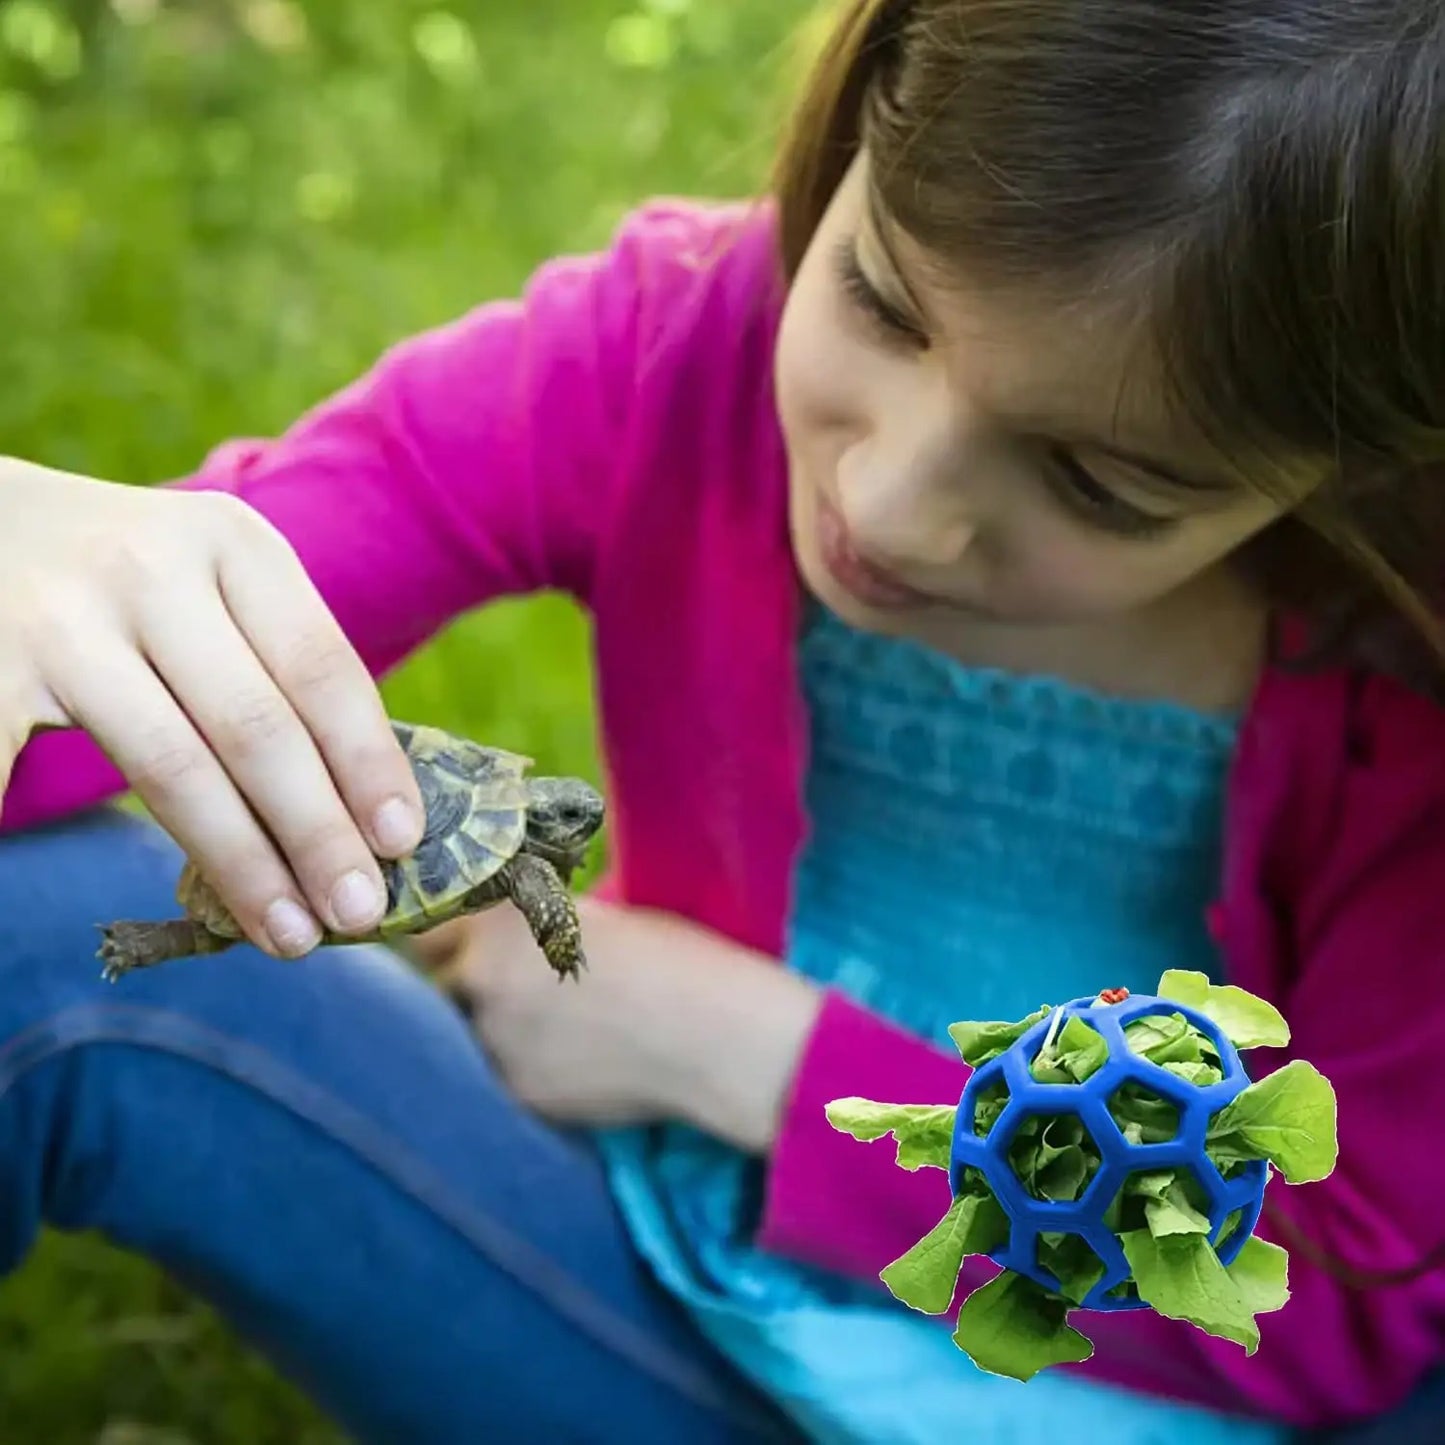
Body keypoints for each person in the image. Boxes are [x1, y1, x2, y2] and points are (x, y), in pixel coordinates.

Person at [3, 1, 1445, 1440]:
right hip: (652, 1327)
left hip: (1178, 1403)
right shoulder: (667, 357)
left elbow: (1336, 1296)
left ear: (1351, 464)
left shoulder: (1403, 677)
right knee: (40, 928)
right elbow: (99, 698)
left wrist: (754, 1060)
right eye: (883, 301)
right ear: (859, 118)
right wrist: (40, 584)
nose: (885, 503)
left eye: (1098, 484)